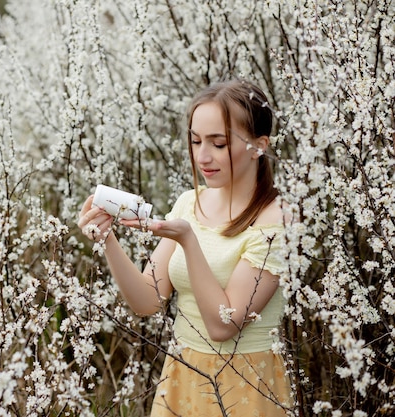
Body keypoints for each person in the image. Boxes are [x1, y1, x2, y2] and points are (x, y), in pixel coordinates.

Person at [78, 80, 293, 416]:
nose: (202, 156)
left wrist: (188, 241)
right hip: (183, 372)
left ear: (259, 146)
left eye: (218, 144)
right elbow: (147, 300)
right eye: (195, 141)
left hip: (247, 383)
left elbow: (224, 326)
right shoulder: (188, 203)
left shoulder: (278, 220)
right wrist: (108, 240)